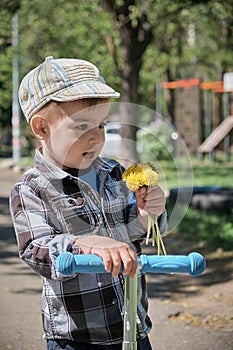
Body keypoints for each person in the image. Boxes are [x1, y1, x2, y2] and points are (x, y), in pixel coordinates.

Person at [9, 56, 167, 350]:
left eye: (102, 125)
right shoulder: (32, 189)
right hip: (76, 338)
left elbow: (137, 231)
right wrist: (85, 243)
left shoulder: (115, 173)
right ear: (42, 129)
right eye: (82, 127)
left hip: (132, 328)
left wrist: (148, 214)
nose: (96, 138)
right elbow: (36, 249)